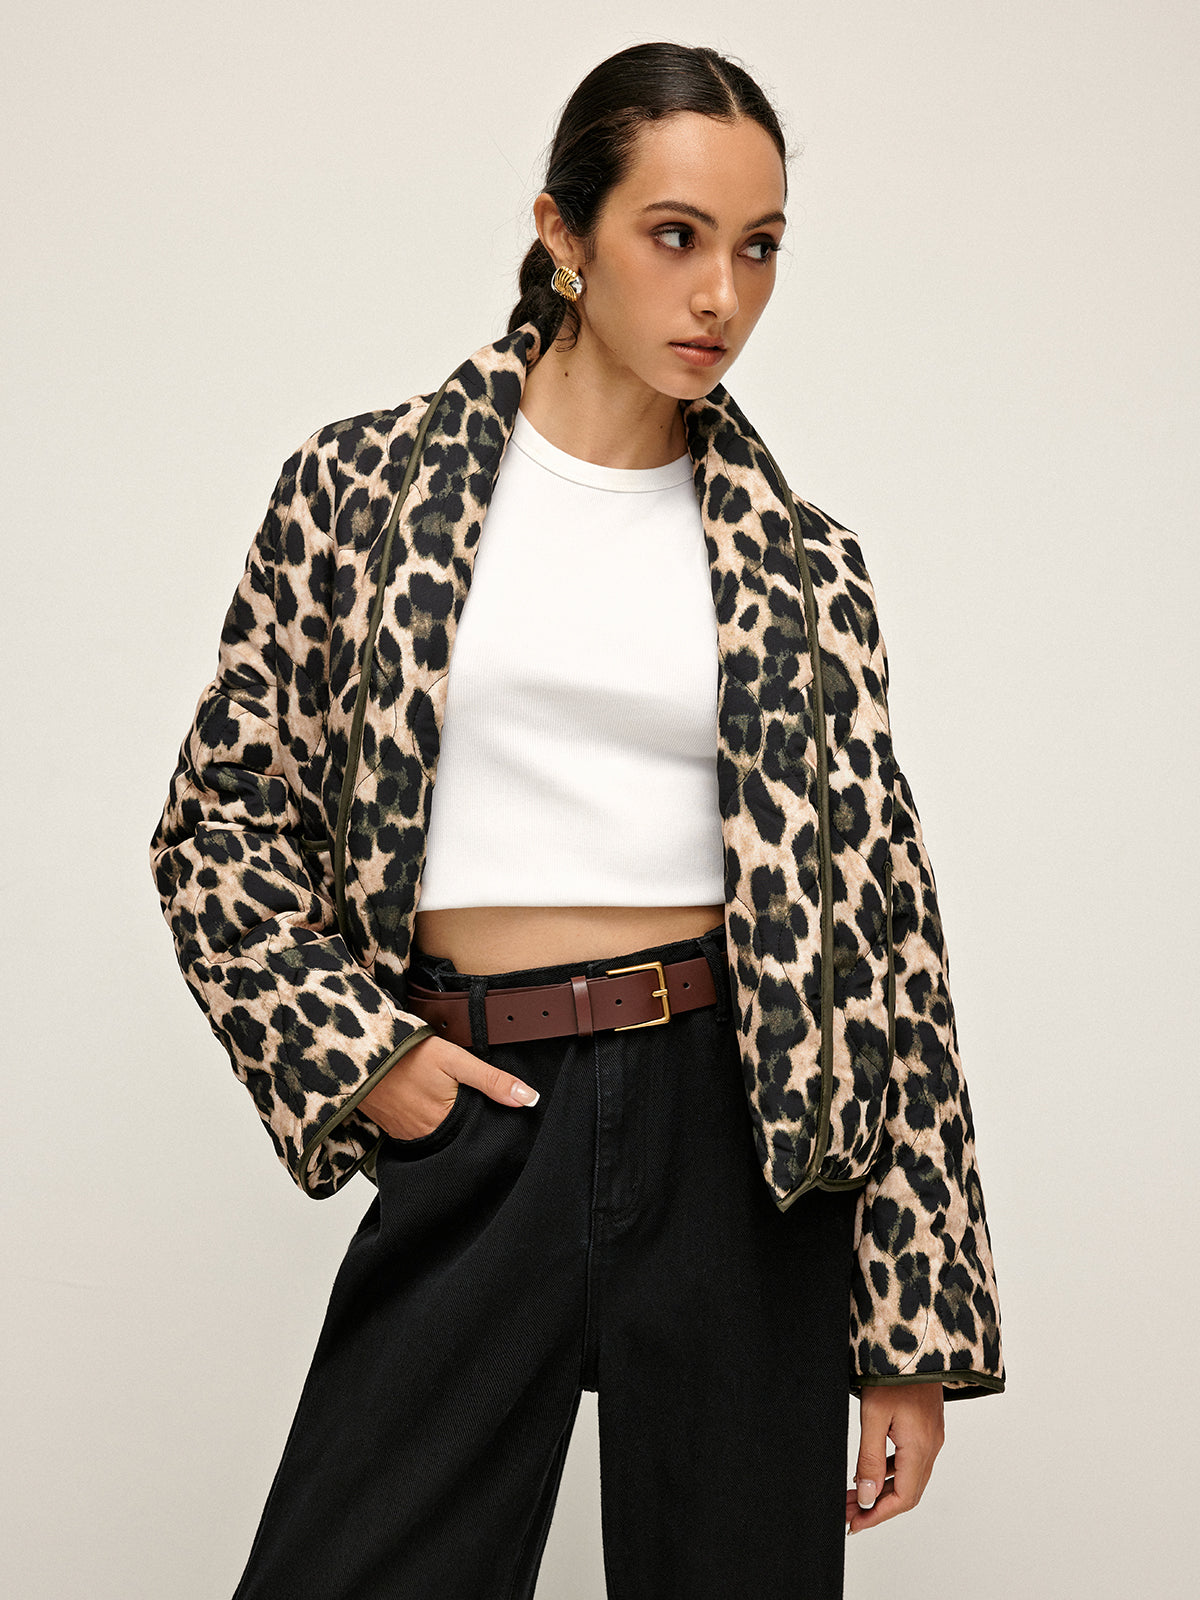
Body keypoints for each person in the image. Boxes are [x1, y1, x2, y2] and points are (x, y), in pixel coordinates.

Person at [150, 39, 1004, 1600]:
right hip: (485, 1103)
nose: (721, 296)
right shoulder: (358, 495)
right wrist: (372, 1060)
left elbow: (887, 943)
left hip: (744, 1131)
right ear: (563, 232)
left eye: (759, 249)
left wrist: (913, 1332)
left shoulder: (806, 564)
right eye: (675, 236)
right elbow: (222, 825)